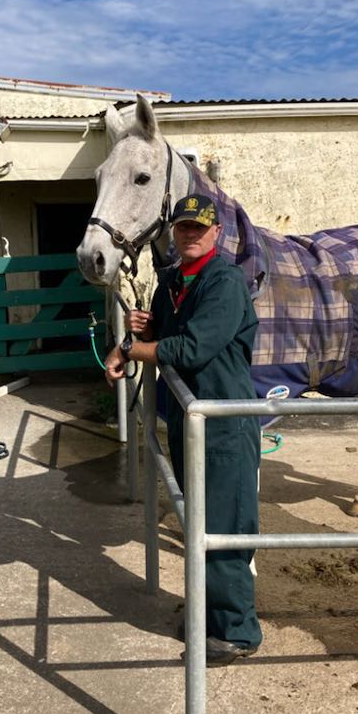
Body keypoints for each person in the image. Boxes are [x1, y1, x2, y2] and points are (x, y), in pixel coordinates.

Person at [104, 194, 263, 666]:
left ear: (216, 233)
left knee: (225, 525)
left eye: (199, 227)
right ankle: (208, 616)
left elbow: (192, 348)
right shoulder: (172, 281)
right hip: (187, 418)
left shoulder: (225, 282)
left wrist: (130, 350)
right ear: (173, 232)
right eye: (183, 227)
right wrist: (141, 330)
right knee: (197, 523)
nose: (191, 234)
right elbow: (163, 336)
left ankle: (237, 632)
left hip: (224, 421)